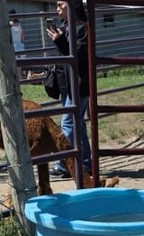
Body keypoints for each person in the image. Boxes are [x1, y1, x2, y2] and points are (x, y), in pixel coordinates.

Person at [46, 0, 91, 180]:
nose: (57, 10)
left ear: (72, 6)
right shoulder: (66, 27)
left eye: (60, 5)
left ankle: (64, 164)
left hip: (78, 84)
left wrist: (61, 41)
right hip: (68, 84)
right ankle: (86, 163)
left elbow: (78, 55)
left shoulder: (81, 28)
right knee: (77, 124)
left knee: (68, 124)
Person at [10, 12, 26, 78]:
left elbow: (23, 35)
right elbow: (23, 36)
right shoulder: (19, 24)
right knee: (19, 64)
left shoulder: (10, 24)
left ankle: (18, 78)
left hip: (15, 45)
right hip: (18, 45)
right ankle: (20, 78)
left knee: (17, 64)